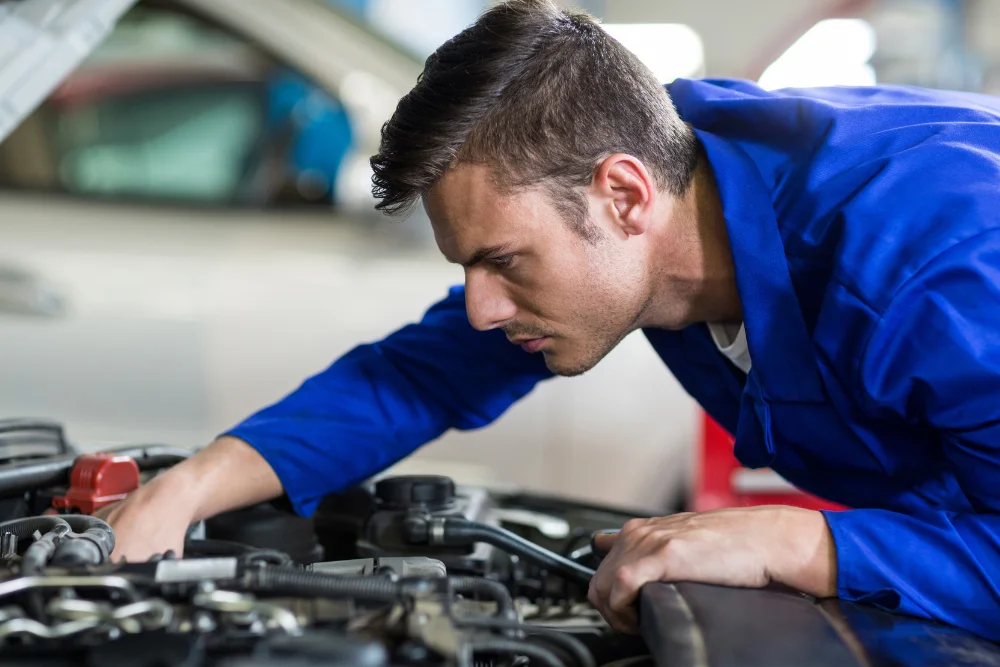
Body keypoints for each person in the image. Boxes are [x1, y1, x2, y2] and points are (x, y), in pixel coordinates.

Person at [99, 0, 1000, 641]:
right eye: (467, 267)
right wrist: (185, 489)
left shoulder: (937, 270)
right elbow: (419, 373)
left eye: (503, 261)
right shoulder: (668, 166)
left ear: (624, 196)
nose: (480, 308)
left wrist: (802, 538)